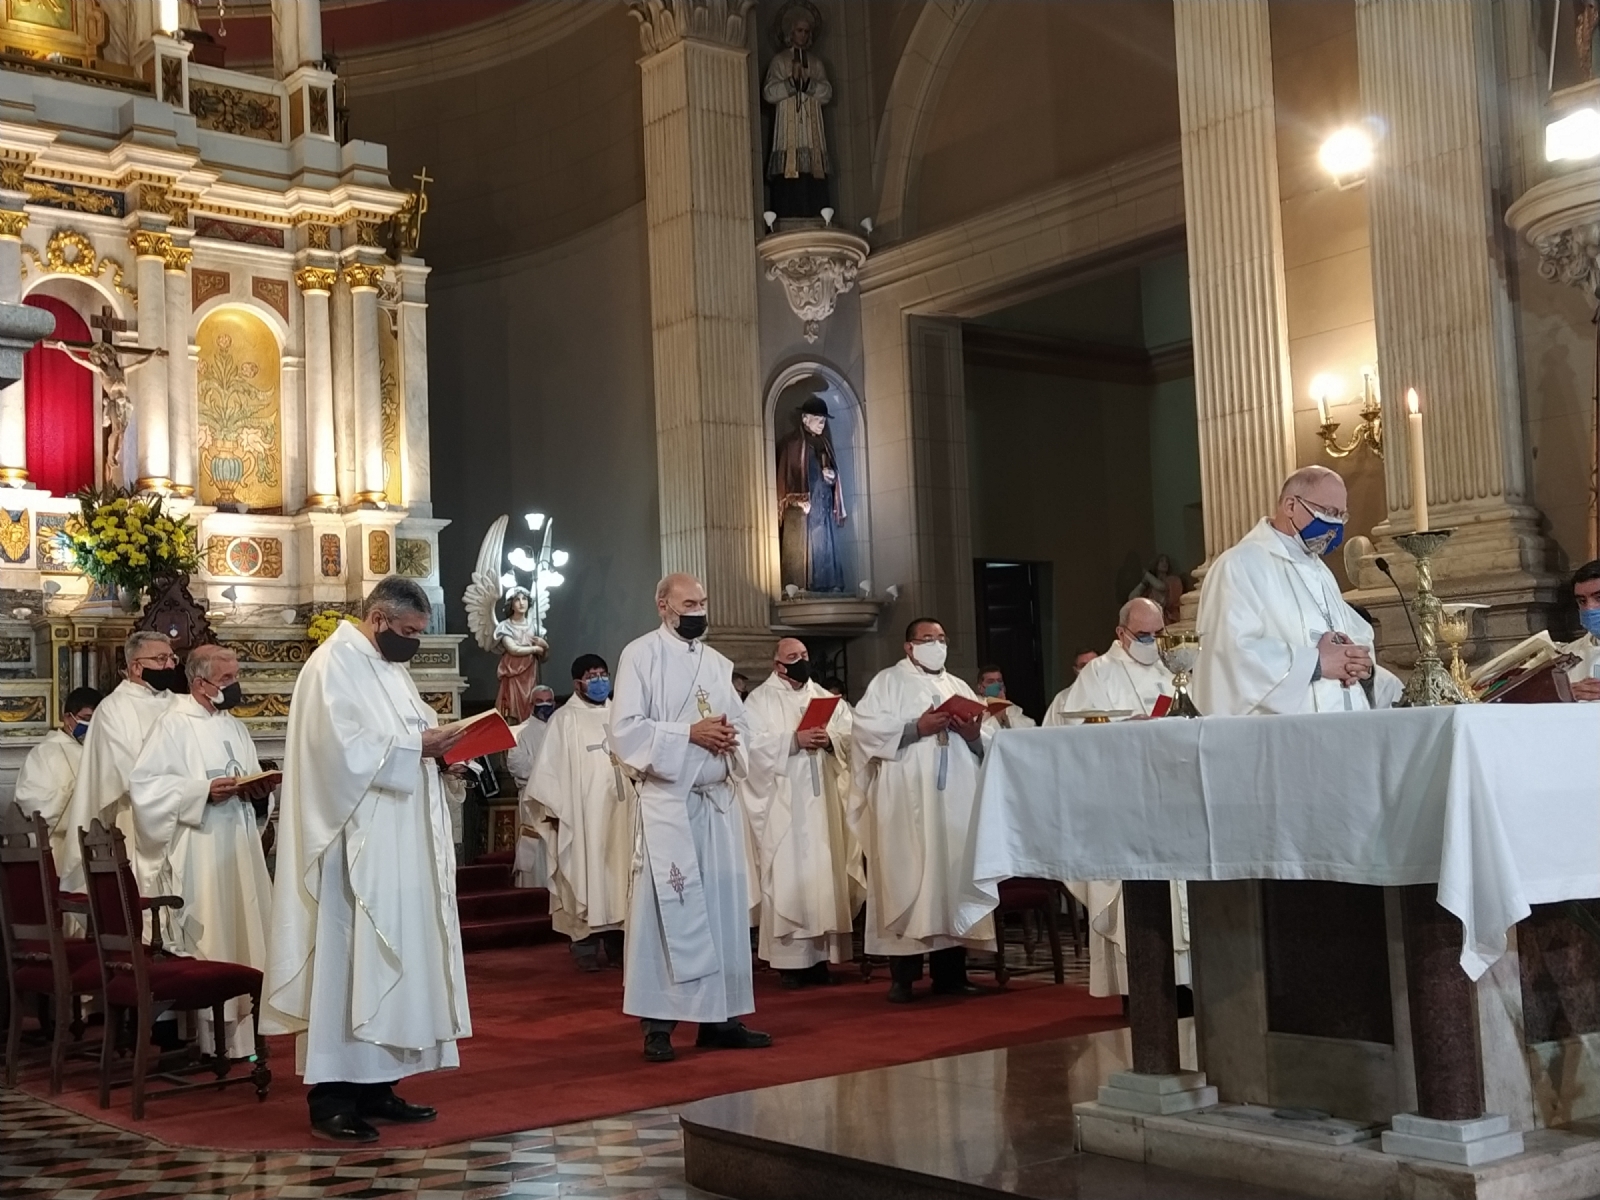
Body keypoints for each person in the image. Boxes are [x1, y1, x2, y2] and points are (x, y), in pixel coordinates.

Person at [261, 577, 471, 1144]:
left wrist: (442, 755)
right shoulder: (332, 665)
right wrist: (418, 748)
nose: (413, 643)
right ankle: (332, 1098)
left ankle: (379, 1085)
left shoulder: (391, 669)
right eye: (408, 631)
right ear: (378, 618)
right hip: (353, 848)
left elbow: (413, 736)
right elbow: (337, 753)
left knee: (394, 959)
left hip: (398, 843)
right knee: (349, 961)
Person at [609, 573, 778, 1063]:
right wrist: (689, 734)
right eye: (689, 604)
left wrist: (728, 738)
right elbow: (626, 730)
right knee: (665, 914)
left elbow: (742, 725)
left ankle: (721, 1020)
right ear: (663, 605)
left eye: (703, 602)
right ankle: (658, 1026)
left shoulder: (717, 663)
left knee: (721, 912)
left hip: (715, 805)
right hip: (670, 806)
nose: (698, 611)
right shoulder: (640, 655)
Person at [128, 645, 275, 1058]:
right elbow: (145, 789)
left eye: (236, 676)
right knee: (214, 935)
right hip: (200, 850)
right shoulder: (172, 725)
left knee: (243, 932)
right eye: (226, 679)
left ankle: (245, 1038)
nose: (234, 686)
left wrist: (259, 795)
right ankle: (210, 1039)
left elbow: (248, 781)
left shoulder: (235, 728)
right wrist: (201, 792)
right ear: (199, 683)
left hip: (239, 847)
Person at [850, 618, 997, 1003]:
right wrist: (917, 727)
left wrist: (973, 736)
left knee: (952, 877)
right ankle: (903, 977)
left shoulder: (958, 686)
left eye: (942, 639)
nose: (937, 644)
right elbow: (863, 732)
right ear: (909, 646)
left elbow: (987, 740)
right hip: (906, 797)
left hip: (957, 798)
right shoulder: (888, 682)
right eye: (928, 639)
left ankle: (952, 974)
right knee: (907, 876)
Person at [1194, 465, 1375, 716]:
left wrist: (1360, 662)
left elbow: (1356, 635)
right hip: (1281, 732)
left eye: (1342, 516)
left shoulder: (1321, 571)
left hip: (1341, 723)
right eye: (1329, 512)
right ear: (1291, 506)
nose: (1335, 524)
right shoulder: (1239, 565)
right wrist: (1315, 664)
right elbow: (1229, 654)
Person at [740, 638, 860, 988]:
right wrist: (793, 741)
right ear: (777, 664)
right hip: (784, 807)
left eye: (805, 655)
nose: (801, 661)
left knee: (824, 874)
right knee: (789, 874)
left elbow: (853, 735)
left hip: (823, 805)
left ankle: (821, 960)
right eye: (793, 657)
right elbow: (750, 747)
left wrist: (830, 740)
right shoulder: (759, 700)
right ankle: (790, 964)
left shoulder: (825, 698)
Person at [524, 654, 636, 972]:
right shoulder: (564, 720)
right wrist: (553, 808)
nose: (600, 681)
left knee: (621, 876)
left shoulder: (623, 715)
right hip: (583, 817)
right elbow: (547, 771)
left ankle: (618, 944)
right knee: (584, 872)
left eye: (603, 674)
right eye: (592, 676)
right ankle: (584, 944)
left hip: (623, 812)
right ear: (577, 683)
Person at [56, 631, 184, 891]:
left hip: (187, 813)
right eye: (161, 659)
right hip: (137, 817)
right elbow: (126, 772)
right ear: (136, 667)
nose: (170, 665)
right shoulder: (113, 709)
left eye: (172, 658)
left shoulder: (181, 705)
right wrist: (180, 789)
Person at [1044, 598, 1173, 722]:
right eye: (1143, 635)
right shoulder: (1097, 672)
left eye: (1159, 633)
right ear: (1121, 633)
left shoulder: (1170, 667)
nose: (1153, 641)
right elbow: (1081, 723)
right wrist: (1127, 726)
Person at [763, 6, 832, 218]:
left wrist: (809, 84)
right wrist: (791, 84)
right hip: (788, 126)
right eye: (799, 30)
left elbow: (827, 92)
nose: (803, 35)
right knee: (789, 172)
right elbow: (769, 92)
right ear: (791, 33)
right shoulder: (780, 61)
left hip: (811, 129)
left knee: (812, 172)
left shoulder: (816, 63)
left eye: (806, 31)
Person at [776, 397, 847, 594]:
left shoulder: (825, 443)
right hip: (801, 510)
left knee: (824, 546)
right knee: (801, 549)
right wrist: (797, 499)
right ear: (805, 419)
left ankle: (827, 585)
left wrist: (832, 476)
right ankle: (799, 585)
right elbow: (786, 476)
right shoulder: (792, 444)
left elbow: (833, 473)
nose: (822, 424)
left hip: (822, 506)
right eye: (818, 419)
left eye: (824, 420)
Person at [15, 687, 101, 844]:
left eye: (97, 720)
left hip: (98, 840)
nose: (92, 725)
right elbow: (29, 801)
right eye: (87, 719)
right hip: (58, 843)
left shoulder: (102, 752)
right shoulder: (43, 753)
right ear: (67, 718)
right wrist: (74, 792)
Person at [508, 684, 556, 889]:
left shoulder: (562, 728)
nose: (545, 705)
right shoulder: (520, 732)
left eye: (549, 701)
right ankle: (532, 889)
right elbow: (517, 764)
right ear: (530, 704)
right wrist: (549, 770)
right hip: (532, 797)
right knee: (536, 846)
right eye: (539, 702)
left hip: (560, 798)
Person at [493, 588, 549, 724]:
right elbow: (513, 649)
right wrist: (536, 648)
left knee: (530, 705)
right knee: (512, 708)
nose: (521, 602)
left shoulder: (535, 627)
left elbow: (544, 658)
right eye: (517, 599)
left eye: (524, 599)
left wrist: (545, 647)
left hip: (529, 674)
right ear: (511, 604)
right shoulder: (505, 626)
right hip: (513, 675)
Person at [1564, 559, 1600, 700]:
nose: (1589, 608)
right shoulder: (1566, 656)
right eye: (1582, 601)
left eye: (1599, 598)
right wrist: (1563, 695)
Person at [1129, 553, 1185, 625]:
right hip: (1154, 620)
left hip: (1170, 619)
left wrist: (1147, 575)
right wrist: (1143, 583)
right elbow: (1131, 597)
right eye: (1161, 561)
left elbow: (1161, 587)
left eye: (1167, 561)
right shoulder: (1150, 585)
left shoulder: (1173, 580)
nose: (1165, 563)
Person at [976, 665, 1035, 730]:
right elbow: (978, 731)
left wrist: (1006, 719)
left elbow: (1030, 725)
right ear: (980, 688)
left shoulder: (1011, 707)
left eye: (999, 681)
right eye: (991, 681)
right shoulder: (976, 705)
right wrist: (997, 715)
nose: (996, 684)